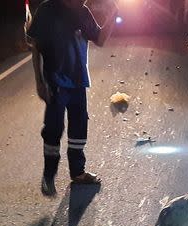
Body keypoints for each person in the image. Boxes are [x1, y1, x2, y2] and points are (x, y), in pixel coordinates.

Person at [27, 0, 119, 196]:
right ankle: (49, 175)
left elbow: (100, 40)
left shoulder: (83, 12)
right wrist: (39, 81)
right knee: (54, 128)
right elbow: (36, 47)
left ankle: (78, 173)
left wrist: (113, 15)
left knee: (79, 127)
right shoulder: (47, 9)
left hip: (78, 81)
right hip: (55, 81)